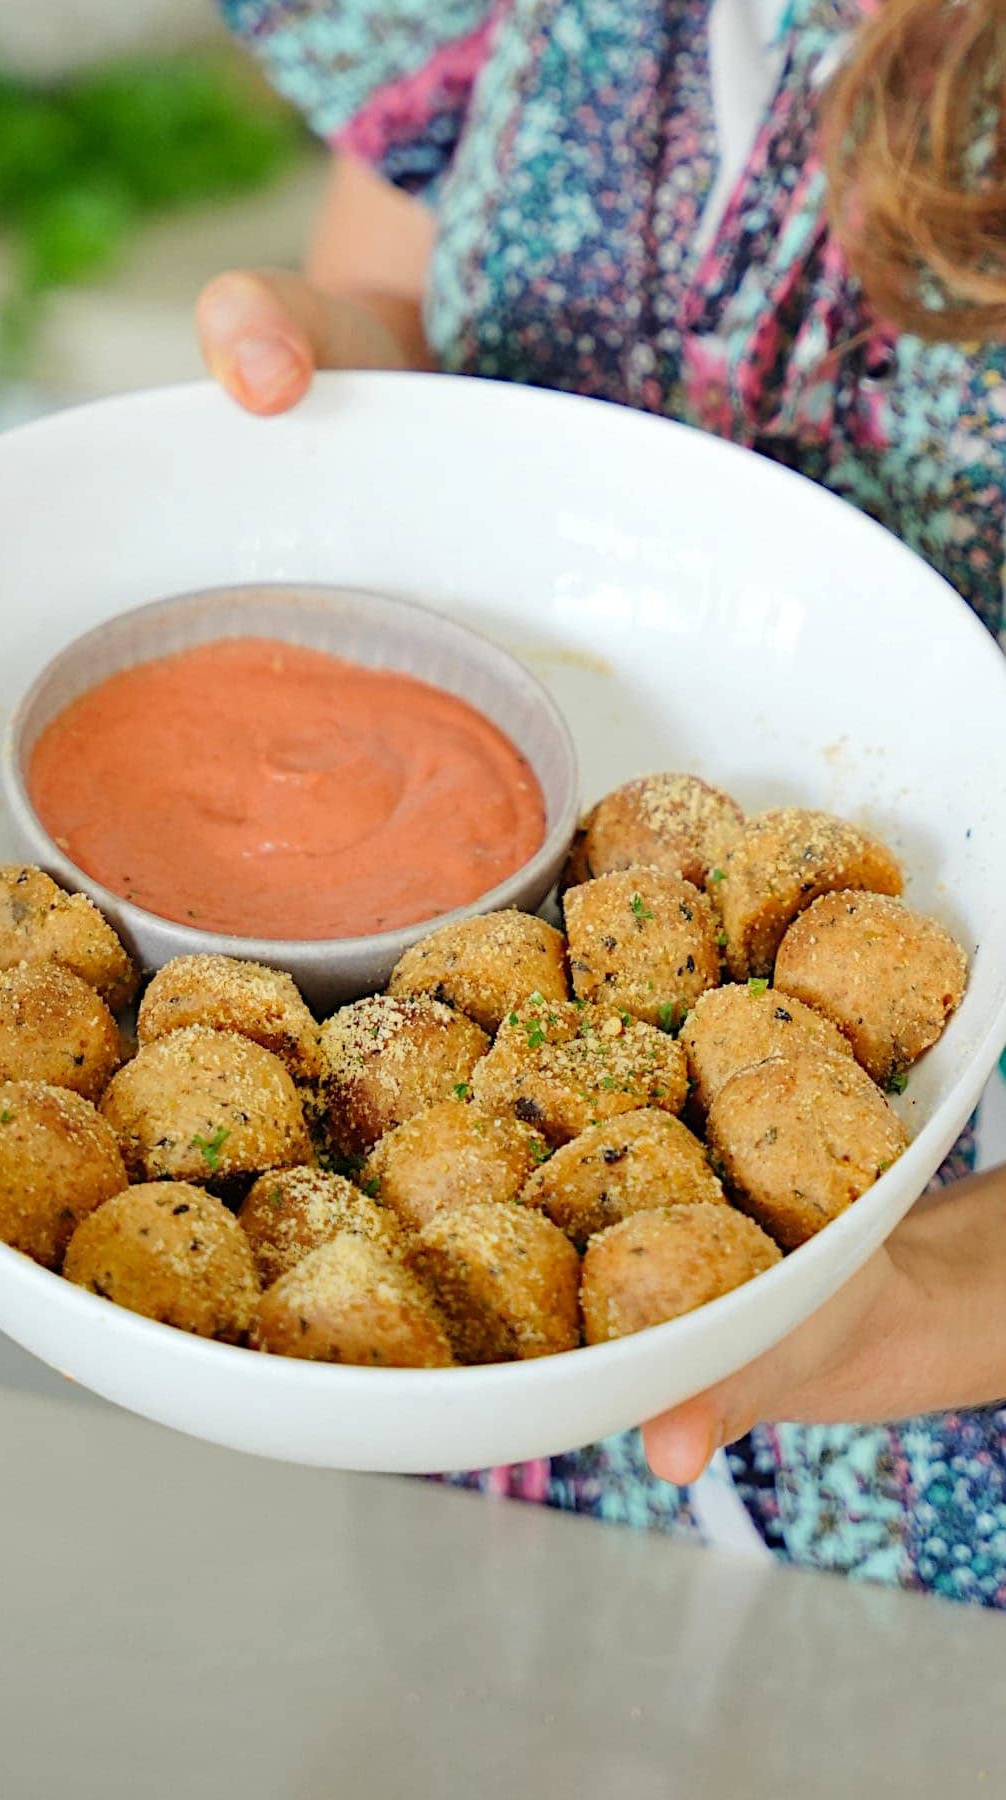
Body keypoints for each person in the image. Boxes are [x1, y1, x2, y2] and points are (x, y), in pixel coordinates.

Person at [199, 0, 1006, 1603]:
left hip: (936, 1559)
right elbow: (387, 279)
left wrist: (932, 1284)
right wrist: (353, 392)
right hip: (486, 1485)